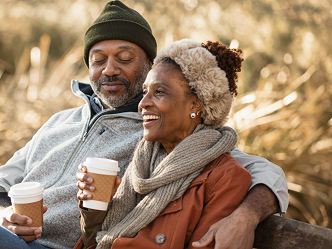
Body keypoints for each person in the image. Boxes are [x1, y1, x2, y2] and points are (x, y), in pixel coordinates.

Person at [0, 1, 288, 249]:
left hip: (62, 247)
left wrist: (247, 215)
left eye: (125, 57)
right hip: (5, 239)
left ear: (148, 68)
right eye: (98, 58)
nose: (109, 69)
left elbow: (256, 170)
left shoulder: (157, 127)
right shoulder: (60, 122)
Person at [74, 38, 252, 249]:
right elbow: (93, 242)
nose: (142, 104)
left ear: (195, 104)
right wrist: (94, 207)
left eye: (159, 92)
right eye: (144, 92)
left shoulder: (225, 177)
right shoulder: (143, 160)